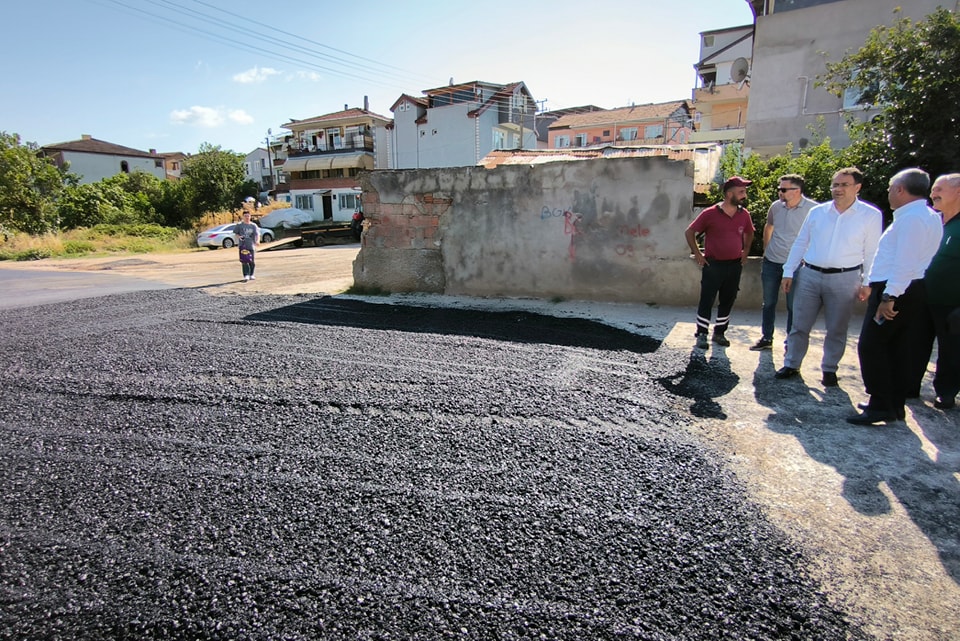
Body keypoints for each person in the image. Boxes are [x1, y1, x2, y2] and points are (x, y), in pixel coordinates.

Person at [848, 168, 943, 424]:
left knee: (872, 346)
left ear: (900, 190)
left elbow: (904, 262)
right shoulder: (928, 216)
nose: (889, 193)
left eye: (891, 188)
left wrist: (889, 296)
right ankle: (893, 405)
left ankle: (880, 405)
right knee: (896, 348)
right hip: (908, 287)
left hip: (897, 289)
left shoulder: (912, 219)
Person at [775, 167, 882, 387]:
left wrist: (867, 282)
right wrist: (789, 270)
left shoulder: (870, 216)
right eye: (835, 185)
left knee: (837, 327)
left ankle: (830, 368)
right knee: (799, 324)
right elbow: (801, 242)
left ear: (857, 187)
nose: (838, 189)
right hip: (810, 274)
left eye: (844, 185)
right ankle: (792, 363)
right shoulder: (818, 213)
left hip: (845, 278)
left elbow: (872, 251)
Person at [684, 176, 755, 349]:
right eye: (741, 192)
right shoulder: (710, 213)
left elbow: (749, 232)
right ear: (729, 193)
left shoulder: (743, 214)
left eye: (744, 191)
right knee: (707, 299)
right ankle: (702, 333)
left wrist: (745, 251)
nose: (744, 195)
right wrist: (698, 253)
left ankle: (720, 332)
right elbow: (690, 232)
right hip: (714, 265)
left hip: (734, 265)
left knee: (728, 299)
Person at [750, 174, 818, 351]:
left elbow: (819, 237)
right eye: (779, 188)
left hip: (797, 265)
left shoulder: (813, 210)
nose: (779, 192)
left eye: (783, 189)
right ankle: (767, 338)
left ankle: (791, 341)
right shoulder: (776, 207)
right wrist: (766, 249)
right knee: (769, 302)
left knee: (793, 305)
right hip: (772, 262)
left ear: (797, 191)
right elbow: (769, 226)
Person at [920, 173, 960, 410]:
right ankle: (909, 386)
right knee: (914, 343)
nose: (933, 193)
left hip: (952, 302)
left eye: (939, 189)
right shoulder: (931, 221)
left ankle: (946, 391)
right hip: (922, 296)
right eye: (933, 188)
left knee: (951, 349)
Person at [234, 210, 260, 281]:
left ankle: (251, 274)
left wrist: (257, 241)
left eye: (248, 216)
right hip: (243, 245)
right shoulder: (239, 225)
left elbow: (257, 234)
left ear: (250, 216)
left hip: (251, 245)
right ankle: (246, 275)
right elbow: (236, 233)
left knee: (251, 260)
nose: (247, 217)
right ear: (243, 217)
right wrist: (239, 237)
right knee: (244, 260)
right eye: (245, 216)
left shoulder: (253, 225)